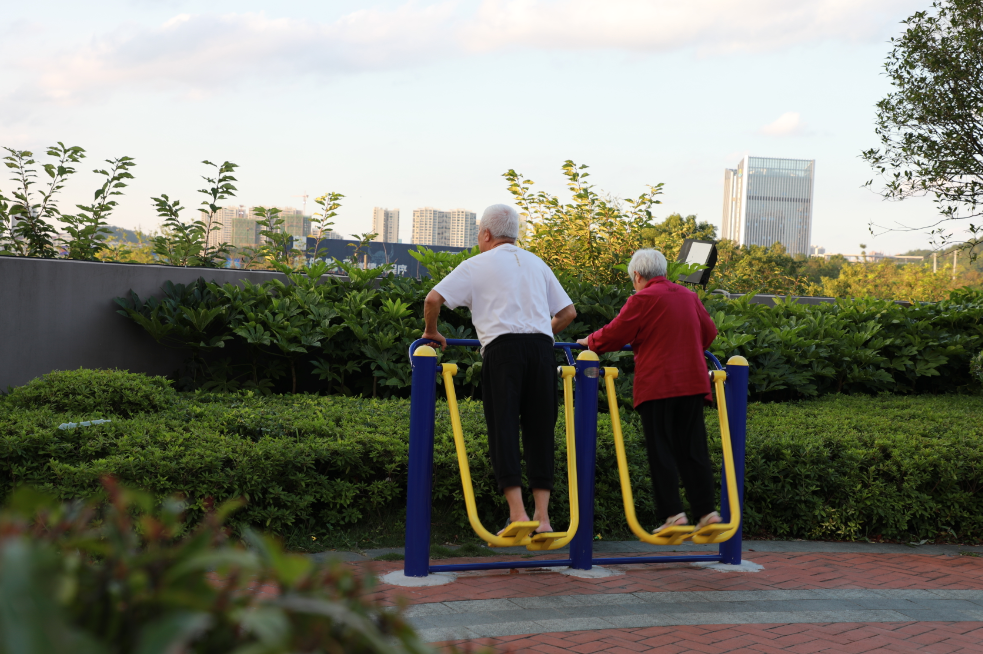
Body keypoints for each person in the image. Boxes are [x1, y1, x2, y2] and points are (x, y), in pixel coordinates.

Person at [422, 204, 577, 534]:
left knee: (503, 427)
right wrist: (542, 330)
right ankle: (544, 519)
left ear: (487, 234)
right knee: (540, 431)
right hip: (541, 350)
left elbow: (432, 300)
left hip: (503, 349)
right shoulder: (537, 263)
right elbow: (568, 313)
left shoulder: (477, 264)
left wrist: (432, 332)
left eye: (479, 233)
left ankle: (518, 514)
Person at [576, 249, 721, 535]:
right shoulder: (689, 297)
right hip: (692, 383)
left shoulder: (642, 299)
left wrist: (589, 341)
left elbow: (616, 333)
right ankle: (707, 513)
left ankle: (674, 515)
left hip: (658, 384)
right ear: (664, 272)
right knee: (694, 449)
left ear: (638, 276)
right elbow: (709, 333)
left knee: (661, 449)